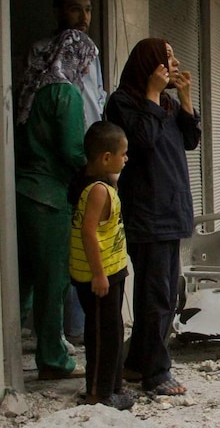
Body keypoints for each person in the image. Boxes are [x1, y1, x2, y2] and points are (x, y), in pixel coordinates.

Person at [105, 38, 200, 397]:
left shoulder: (167, 103)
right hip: (148, 211)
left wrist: (185, 98)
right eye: (167, 57)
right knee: (157, 295)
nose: (174, 63)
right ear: (150, 63)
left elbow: (190, 140)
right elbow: (141, 141)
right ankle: (156, 374)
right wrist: (151, 94)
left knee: (164, 292)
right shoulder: (124, 102)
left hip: (171, 207)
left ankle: (135, 363)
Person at [15, 28, 96, 380]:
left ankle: (9, 353)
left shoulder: (34, 89)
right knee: (52, 281)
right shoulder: (67, 94)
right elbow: (70, 150)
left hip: (22, 192)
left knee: (22, 281)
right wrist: (99, 170)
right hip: (49, 198)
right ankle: (52, 358)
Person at [29, 0, 105, 348]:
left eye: (88, 10)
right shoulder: (62, 90)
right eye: (76, 9)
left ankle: (59, 334)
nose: (84, 17)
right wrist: (96, 171)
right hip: (62, 178)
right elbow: (69, 140)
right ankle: (57, 344)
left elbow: (98, 103)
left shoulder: (64, 78)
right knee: (61, 265)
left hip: (53, 176)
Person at [68, 121, 135, 410]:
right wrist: (98, 274)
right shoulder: (96, 190)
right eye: (123, 154)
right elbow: (88, 232)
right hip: (100, 274)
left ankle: (112, 387)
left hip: (112, 269)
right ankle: (98, 394)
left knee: (113, 331)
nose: (126, 159)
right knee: (101, 335)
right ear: (106, 157)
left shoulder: (101, 183)